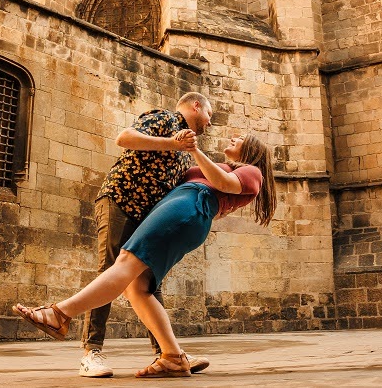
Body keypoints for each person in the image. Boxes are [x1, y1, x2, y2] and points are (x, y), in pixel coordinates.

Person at [15, 134, 276, 378]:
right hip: (182, 207)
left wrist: (194, 150)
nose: (233, 138)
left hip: (188, 206)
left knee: (126, 262)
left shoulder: (253, 172)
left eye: (240, 138)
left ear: (252, 150)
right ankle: (172, 356)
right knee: (137, 288)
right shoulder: (225, 166)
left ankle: (59, 314)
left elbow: (222, 183)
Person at [73, 92, 213, 377]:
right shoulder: (165, 118)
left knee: (151, 280)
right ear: (195, 106)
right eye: (209, 114)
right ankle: (91, 353)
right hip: (120, 201)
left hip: (147, 217)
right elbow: (124, 138)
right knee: (109, 271)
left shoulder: (186, 151)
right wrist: (172, 143)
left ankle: (168, 353)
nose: (210, 122)